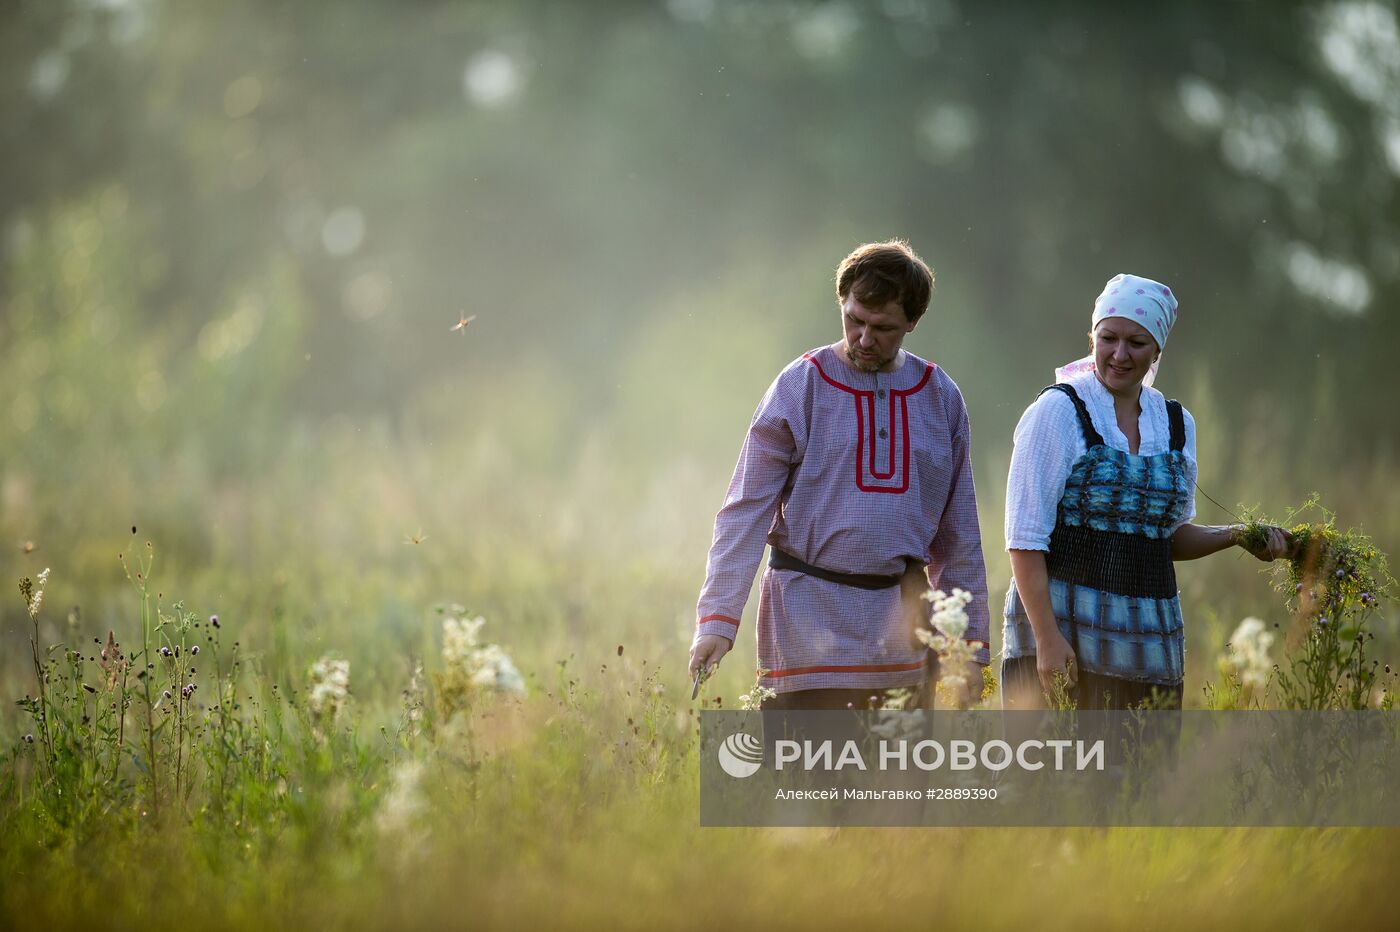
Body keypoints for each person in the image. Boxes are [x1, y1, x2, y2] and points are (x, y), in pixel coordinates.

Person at [688, 240, 991, 711]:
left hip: (902, 631)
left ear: (913, 322)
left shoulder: (940, 398)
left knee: (898, 781)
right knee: (806, 779)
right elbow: (745, 511)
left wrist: (967, 647)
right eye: (855, 320)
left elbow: (959, 534)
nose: (864, 339)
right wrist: (717, 620)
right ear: (842, 304)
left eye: (883, 328)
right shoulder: (800, 386)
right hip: (805, 625)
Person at [1000, 273, 1291, 710]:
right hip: (1064, 636)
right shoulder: (1058, 411)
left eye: (1136, 342)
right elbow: (1024, 538)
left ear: (1157, 349)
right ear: (1092, 338)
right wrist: (1047, 639)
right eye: (1108, 338)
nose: (1119, 354)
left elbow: (1166, 537)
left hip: (1148, 646)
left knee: (1140, 775)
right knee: (1057, 773)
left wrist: (1239, 534)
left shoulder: (1176, 424)